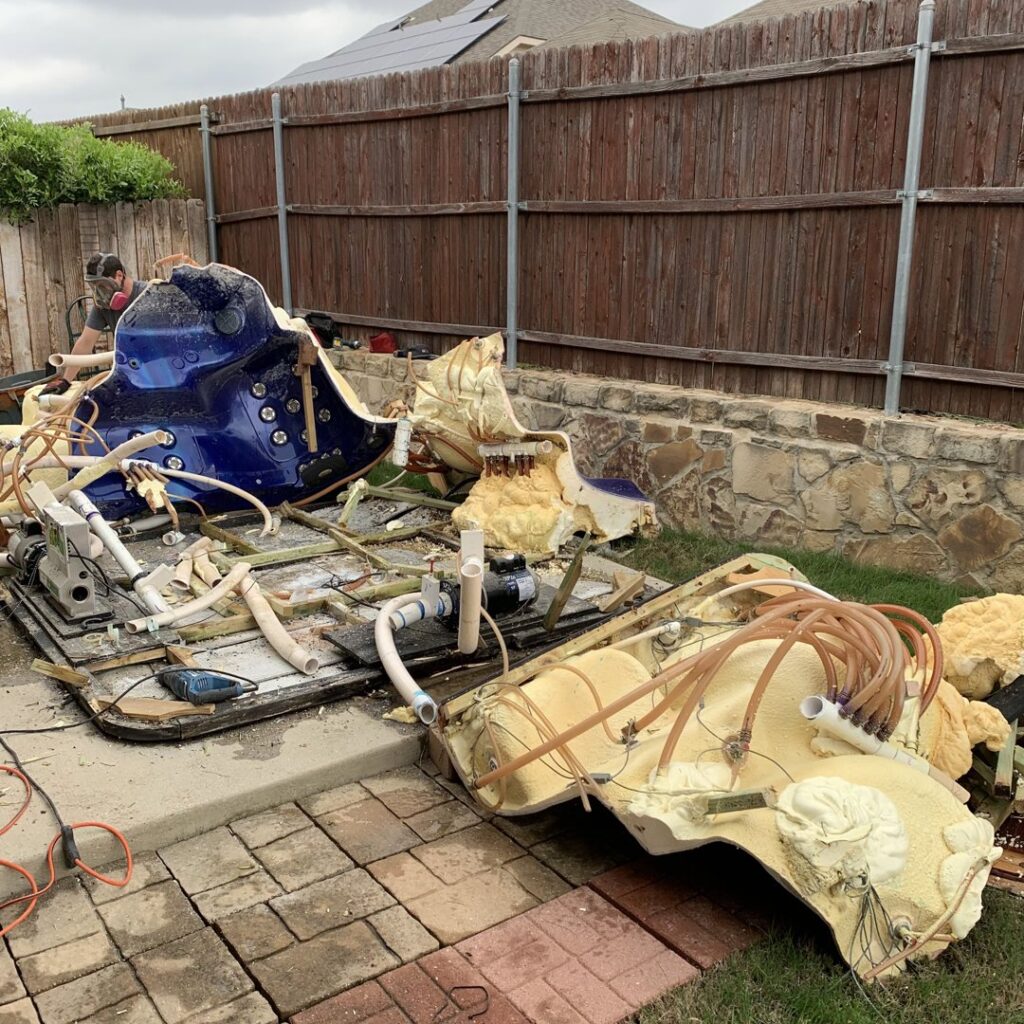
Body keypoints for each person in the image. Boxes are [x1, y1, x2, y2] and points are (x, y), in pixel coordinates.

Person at [43, 253, 147, 393]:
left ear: (119, 276)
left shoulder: (147, 296)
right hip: (129, 373)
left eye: (103, 285)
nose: (99, 293)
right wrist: (65, 381)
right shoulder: (104, 307)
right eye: (94, 286)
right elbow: (85, 342)